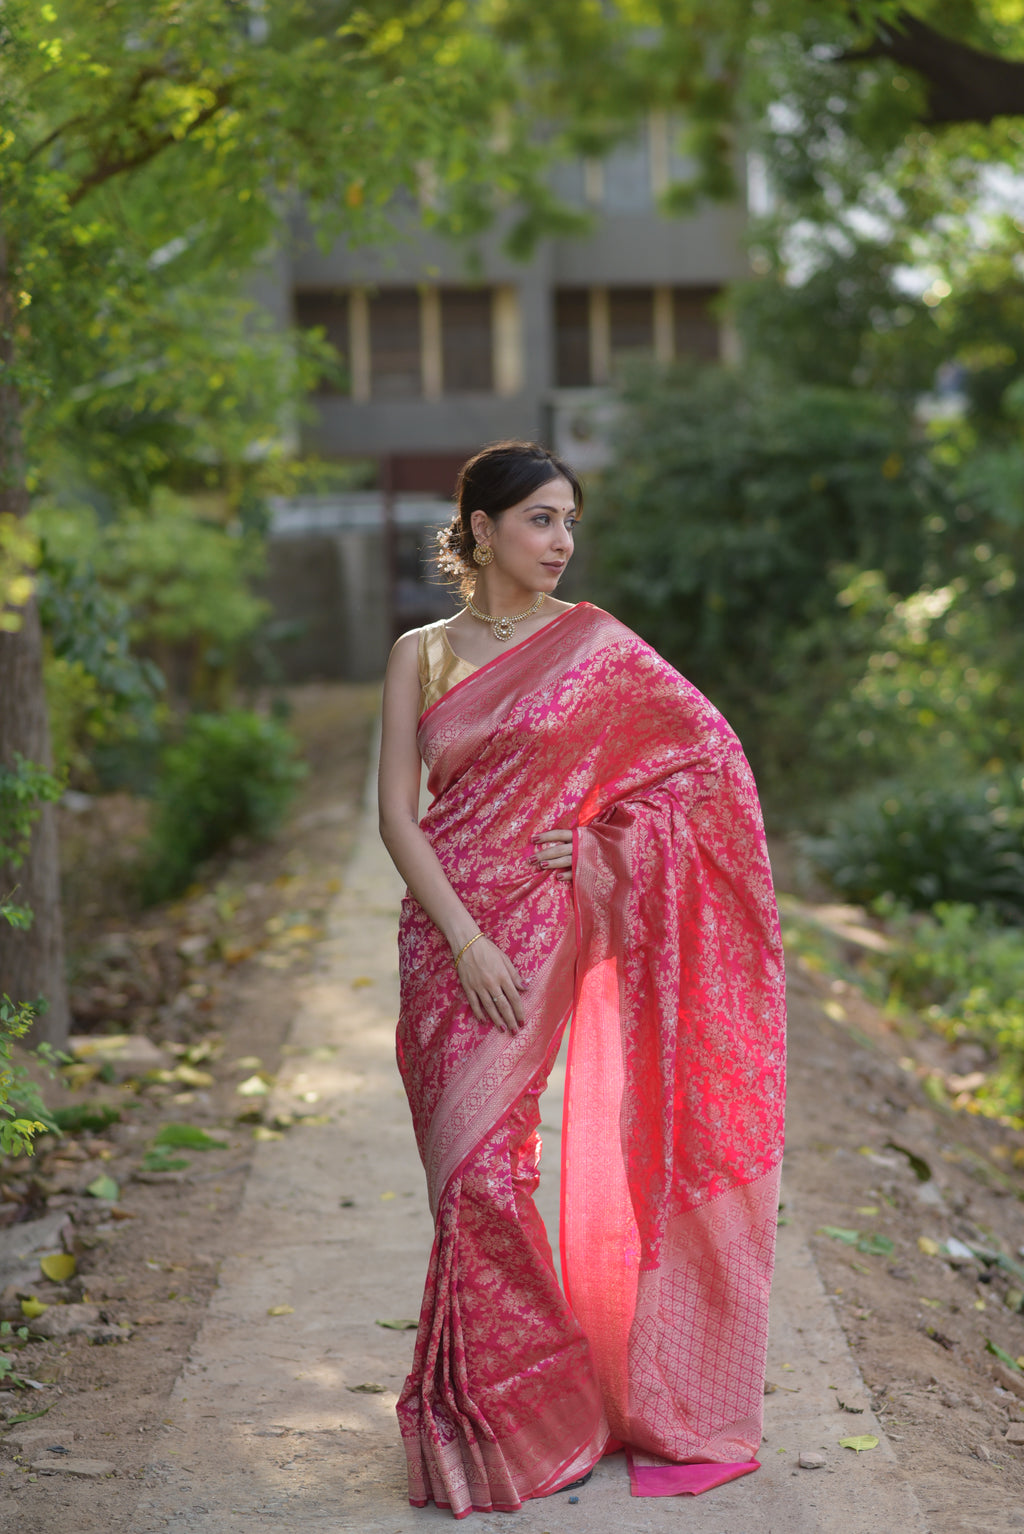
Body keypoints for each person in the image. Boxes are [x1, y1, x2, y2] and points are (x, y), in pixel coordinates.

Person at [377, 440, 786, 1518]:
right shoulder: (419, 653)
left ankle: (534, 1410)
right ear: (480, 530)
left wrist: (611, 841)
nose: (562, 542)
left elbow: (708, 764)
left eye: (568, 520)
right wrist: (459, 935)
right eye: (540, 521)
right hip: (441, 937)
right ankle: (511, 1406)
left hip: (541, 929)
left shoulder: (596, 645)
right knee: (459, 1182)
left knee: (490, 1171)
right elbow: (393, 813)